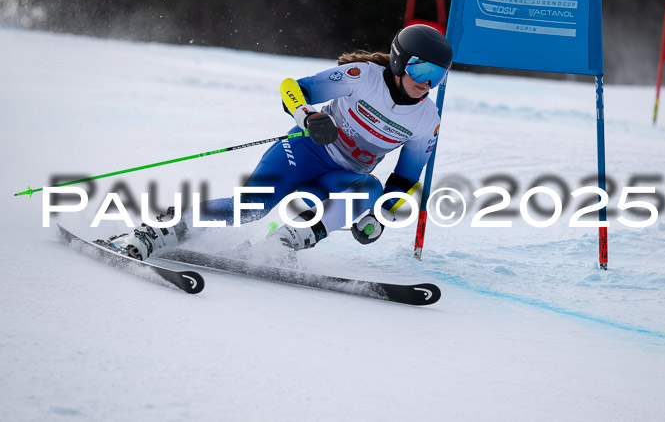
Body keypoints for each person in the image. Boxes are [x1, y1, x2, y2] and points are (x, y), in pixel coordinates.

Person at [106, 24, 452, 260]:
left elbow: (405, 179)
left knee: (370, 190)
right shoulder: (362, 77)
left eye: (436, 76)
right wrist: (307, 117)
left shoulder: (426, 120)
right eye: (421, 71)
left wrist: (378, 216)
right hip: (304, 153)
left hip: (340, 178)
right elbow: (293, 87)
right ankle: (160, 232)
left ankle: (279, 247)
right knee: (252, 207)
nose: (426, 84)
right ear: (399, 61)